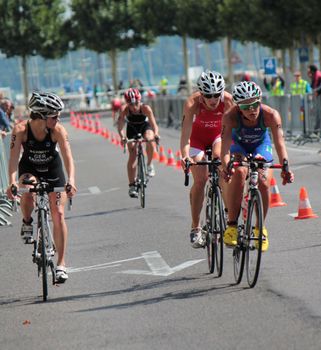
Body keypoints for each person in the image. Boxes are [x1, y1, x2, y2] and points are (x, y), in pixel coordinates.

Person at [6, 91, 77, 283]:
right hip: (30, 169)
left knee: (58, 213)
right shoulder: (20, 130)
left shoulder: (58, 131)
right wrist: (12, 182)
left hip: (53, 169)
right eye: (54, 115)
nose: (58, 118)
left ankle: (61, 264)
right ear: (42, 115)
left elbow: (68, 157)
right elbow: (13, 159)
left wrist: (71, 180)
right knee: (28, 191)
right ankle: (28, 221)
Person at [220, 81, 294, 251]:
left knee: (264, 181)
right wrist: (226, 167)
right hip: (238, 146)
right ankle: (231, 226)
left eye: (255, 104)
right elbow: (224, 149)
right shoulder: (230, 117)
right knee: (239, 172)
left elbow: (280, 144)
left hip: (261, 145)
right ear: (238, 107)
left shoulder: (270, 115)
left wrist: (285, 167)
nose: (252, 110)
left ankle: (260, 229)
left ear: (260, 101)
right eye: (246, 107)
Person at [180, 70, 234, 248]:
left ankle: (227, 214)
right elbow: (186, 136)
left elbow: (233, 131)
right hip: (197, 139)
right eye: (208, 95)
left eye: (216, 95)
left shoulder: (228, 101)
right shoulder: (192, 103)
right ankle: (196, 227)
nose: (212, 99)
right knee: (201, 179)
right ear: (201, 94)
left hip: (218, 136)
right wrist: (185, 156)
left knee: (220, 161)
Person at [117, 88, 160, 198]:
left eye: (136, 103)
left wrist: (156, 134)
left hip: (145, 126)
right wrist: (122, 137)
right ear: (127, 104)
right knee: (132, 153)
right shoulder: (124, 110)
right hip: (132, 128)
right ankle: (132, 185)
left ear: (140, 100)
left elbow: (154, 124)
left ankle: (149, 164)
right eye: (131, 104)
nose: (134, 107)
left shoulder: (145, 108)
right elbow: (120, 125)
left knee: (150, 139)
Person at [307, 65, 321, 130]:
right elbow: (312, 86)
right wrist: (311, 77)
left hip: (319, 95)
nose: (308, 72)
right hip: (318, 96)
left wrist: (317, 91)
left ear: (312, 70)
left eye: (309, 70)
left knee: (319, 113)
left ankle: (317, 129)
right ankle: (317, 129)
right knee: (317, 113)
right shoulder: (314, 76)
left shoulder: (319, 75)